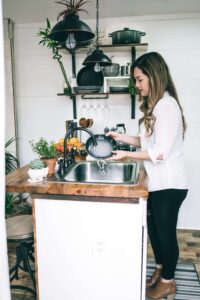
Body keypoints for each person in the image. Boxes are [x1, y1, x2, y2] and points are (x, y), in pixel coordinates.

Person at [106, 52, 188, 300]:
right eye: (135, 80)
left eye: (140, 79)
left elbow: (160, 153)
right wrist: (120, 138)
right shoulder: (157, 105)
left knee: (165, 235)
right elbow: (145, 141)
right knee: (155, 232)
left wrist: (126, 156)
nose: (137, 85)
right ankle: (161, 270)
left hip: (170, 184)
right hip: (157, 183)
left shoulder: (167, 106)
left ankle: (168, 283)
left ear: (154, 76)